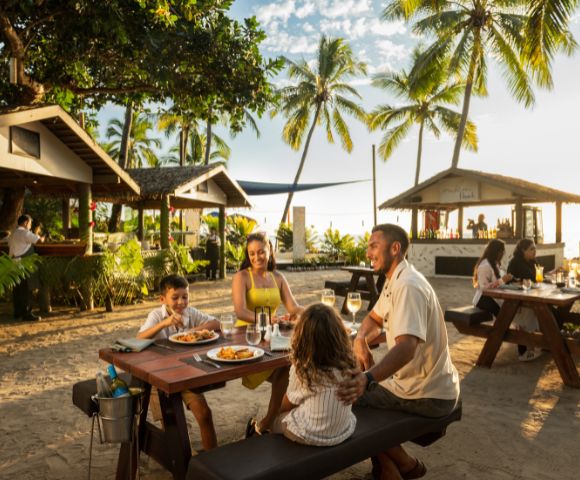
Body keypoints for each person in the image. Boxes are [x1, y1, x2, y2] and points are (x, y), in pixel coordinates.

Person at [337, 224, 460, 480]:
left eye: (373, 246)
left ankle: (402, 465)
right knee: (352, 388)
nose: (368, 252)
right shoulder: (396, 280)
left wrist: (368, 378)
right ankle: (391, 467)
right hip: (418, 386)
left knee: (344, 397)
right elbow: (373, 318)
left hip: (427, 394)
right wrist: (360, 338)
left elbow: (406, 348)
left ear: (395, 248)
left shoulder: (409, 286)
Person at [232, 231, 303, 436]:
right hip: (247, 337)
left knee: (290, 366)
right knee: (287, 368)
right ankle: (268, 424)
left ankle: (267, 423)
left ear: (270, 250)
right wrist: (265, 319)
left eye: (261, 252)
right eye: (252, 253)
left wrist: (315, 313)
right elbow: (240, 311)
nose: (256, 258)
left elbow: (293, 307)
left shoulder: (278, 277)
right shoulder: (242, 276)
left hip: (272, 337)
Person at [137, 274, 220, 450]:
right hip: (159, 378)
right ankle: (186, 461)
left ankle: (214, 459)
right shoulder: (156, 315)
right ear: (163, 299)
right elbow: (139, 337)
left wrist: (193, 332)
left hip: (185, 375)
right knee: (172, 425)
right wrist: (164, 324)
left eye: (185, 297)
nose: (181, 302)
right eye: (175, 298)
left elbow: (215, 323)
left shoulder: (190, 313)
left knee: (204, 414)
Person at [270, 303, 357, 446]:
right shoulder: (349, 363)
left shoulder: (302, 368)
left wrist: (278, 414)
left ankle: (275, 450)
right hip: (344, 430)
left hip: (311, 435)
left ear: (302, 337)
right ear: (339, 333)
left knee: (277, 421)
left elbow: (288, 404)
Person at [473, 239, 541, 362]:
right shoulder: (484, 266)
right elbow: (484, 288)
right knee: (511, 317)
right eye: (502, 251)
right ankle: (523, 352)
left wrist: (510, 281)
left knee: (523, 312)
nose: (503, 253)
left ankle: (526, 348)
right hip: (485, 301)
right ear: (496, 251)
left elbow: (499, 284)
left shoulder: (494, 263)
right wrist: (502, 280)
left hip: (496, 298)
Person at [506, 239, 543, 361]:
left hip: (527, 295)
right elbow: (532, 278)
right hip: (515, 300)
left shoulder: (531, 261)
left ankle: (542, 344)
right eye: (531, 249)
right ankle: (523, 352)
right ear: (523, 250)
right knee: (531, 313)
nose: (534, 251)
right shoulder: (516, 262)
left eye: (535, 249)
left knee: (543, 310)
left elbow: (537, 278)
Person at [8, 214, 45, 321]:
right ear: (25, 223)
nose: (30, 225)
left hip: (13, 264)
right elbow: (39, 241)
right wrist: (43, 236)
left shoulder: (13, 233)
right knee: (26, 290)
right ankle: (26, 314)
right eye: (30, 223)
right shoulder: (25, 233)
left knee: (17, 289)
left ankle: (18, 313)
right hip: (23, 264)